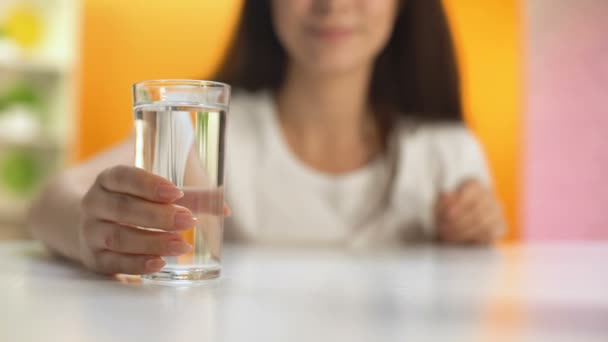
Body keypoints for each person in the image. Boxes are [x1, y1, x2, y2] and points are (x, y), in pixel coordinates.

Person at [27, 0, 505, 275]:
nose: (332, 5)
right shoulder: (208, 131)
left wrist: (475, 232)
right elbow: (52, 200)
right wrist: (95, 228)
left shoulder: (447, 152)